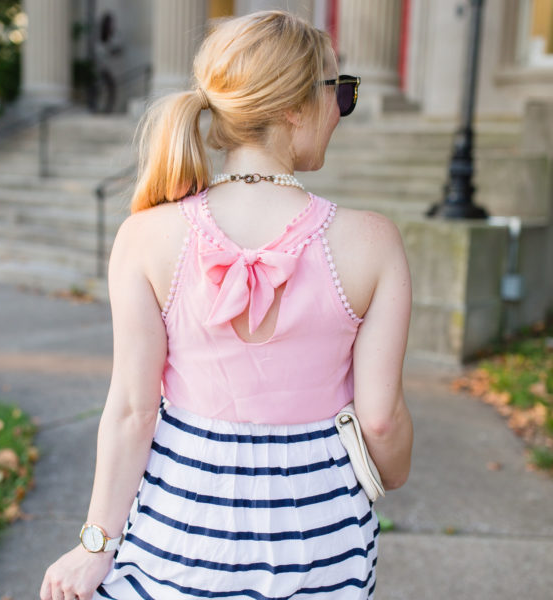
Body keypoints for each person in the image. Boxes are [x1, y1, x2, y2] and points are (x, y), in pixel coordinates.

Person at [40, 9, 413, 600]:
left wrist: (95, 545)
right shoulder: (372, 240)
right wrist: (391, 472)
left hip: (181, 540)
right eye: (340, 91)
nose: (342, 108)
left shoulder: (146, 237)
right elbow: (381, 420)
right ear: (294, 107)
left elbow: (134, 411)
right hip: (320, 543)